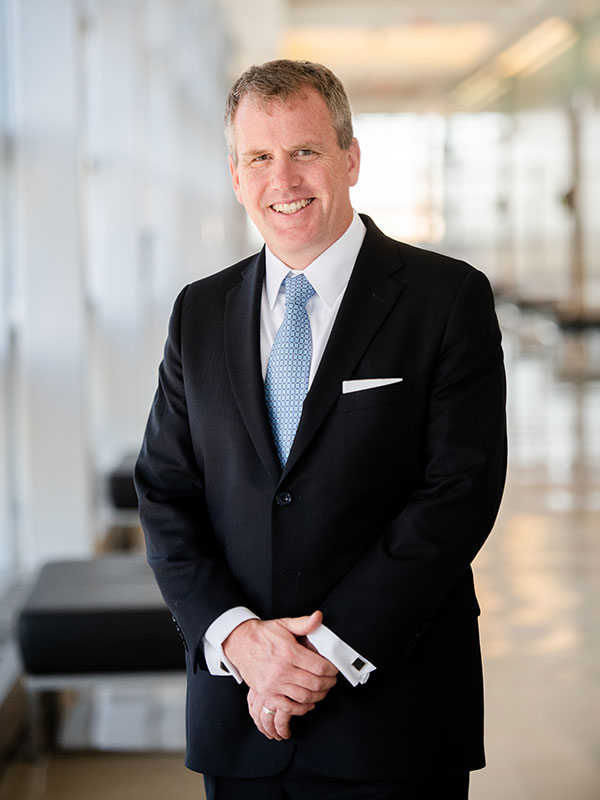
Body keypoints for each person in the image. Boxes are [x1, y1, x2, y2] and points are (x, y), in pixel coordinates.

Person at [134, 59, 507, 800]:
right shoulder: (198, 312)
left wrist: (325, 653)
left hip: (393, 712)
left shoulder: (446, 298)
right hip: (239, 712)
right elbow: (166, 492)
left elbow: (458, 492)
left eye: (304, 150)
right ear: (236, 176)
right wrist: (239, 638)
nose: (284, 178)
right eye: (259, 158)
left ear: (350, 158)